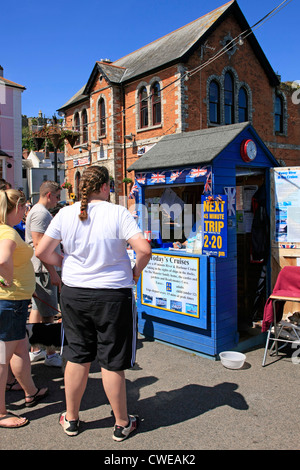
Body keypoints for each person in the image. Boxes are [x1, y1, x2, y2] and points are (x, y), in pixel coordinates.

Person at [36, 165, 151, 440]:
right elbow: (144, 249)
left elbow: (41, 251)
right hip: (113, 293)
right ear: (103, 187)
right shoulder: (118, 213)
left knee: (77, 355)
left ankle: (72, 418)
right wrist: (135, 272)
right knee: (112, 359)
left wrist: (63, 262)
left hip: (75, 291)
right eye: (109, 186)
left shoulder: (65, 213)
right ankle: (122, 423)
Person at [0, 189, 48, 428]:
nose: (25, 212)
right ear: (16, 208)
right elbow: (2, 259)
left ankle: (30, 391)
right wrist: (6, 280)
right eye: (23, 208)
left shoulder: (3, 229)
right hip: (10, 301)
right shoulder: (8, 232)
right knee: (2, 357)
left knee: (20, 348)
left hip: (13, 301)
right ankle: (0, 412)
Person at [25, 181, 62, 367]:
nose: (58, 200)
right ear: (49, 195)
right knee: (48, 314)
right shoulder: (41, 214)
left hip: (38, 269)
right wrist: (53, 272)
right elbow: (39, 246)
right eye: (57, 196)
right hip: (42, 270)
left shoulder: (36, 211)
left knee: (38, 309)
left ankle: (37, 350)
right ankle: (50, 353)